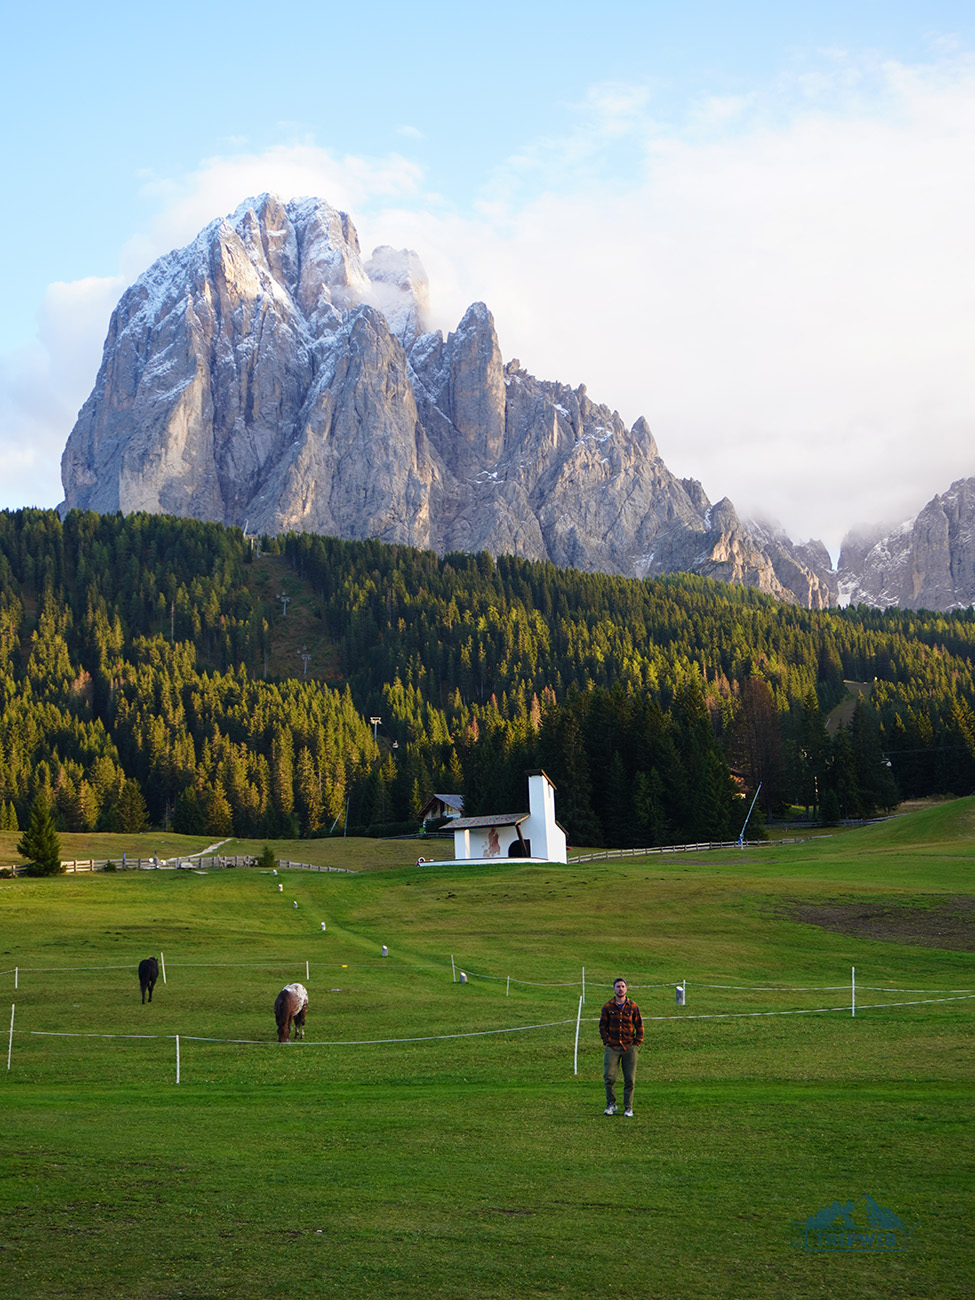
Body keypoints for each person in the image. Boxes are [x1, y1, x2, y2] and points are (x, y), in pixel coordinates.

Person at [599, 977, 644, 1117]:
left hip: (629, 1047)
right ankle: (611, 1104)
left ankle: (628, 1107)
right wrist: (606, 1041)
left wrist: (637, 1042)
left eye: (623, 986)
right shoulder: (607, 1007)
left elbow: (639, 1025)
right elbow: (602, 1026)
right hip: (612, 1047)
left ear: (626, 989)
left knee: (629, 1078)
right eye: (618, 986)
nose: (620, 989)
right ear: (614, 988)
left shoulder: (633, 1006)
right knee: (609, 1077)